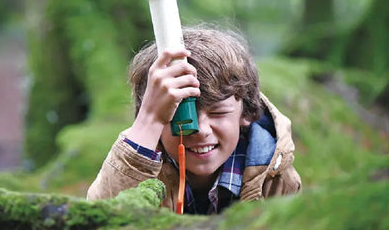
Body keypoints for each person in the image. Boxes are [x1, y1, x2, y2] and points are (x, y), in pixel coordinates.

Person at [87, 26, 301, 214]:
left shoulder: (275, 179)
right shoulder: (141, 165)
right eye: (178, 114)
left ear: (246, 112)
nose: (200, 130)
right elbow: (101, 224)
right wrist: (148, 121)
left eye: (217, 113)